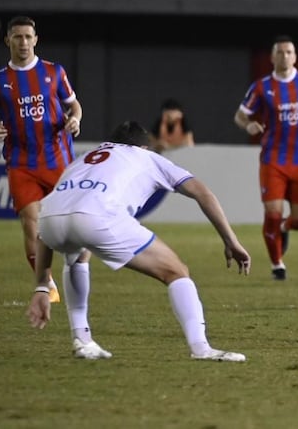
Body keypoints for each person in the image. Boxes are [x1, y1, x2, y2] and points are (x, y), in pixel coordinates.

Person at [26, 121, 252, 361]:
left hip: (49, 220)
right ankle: (201, 348)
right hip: (97, 217)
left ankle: (82, 339)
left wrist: (42, 285)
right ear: (144, 147)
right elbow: (202, 193)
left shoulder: (83, 160)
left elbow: (47, 227)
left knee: (78, 257)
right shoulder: (147, 157)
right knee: (176, 272)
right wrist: (230, 240)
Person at [0, 15, 83, 304]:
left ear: (35, 40)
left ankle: (75, 266)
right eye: (18, 37)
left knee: (71, 223)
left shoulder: (53, 72)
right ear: (7, 40)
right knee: (31, 223)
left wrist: (75, 121)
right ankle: (46, 283)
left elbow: (75, 106)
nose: (23, 42)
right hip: (21, 162)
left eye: (28, 37)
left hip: (57, 158)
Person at [233, 35, 298, 281]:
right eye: (281, 52)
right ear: (272, 57)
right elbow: (240, 116)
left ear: (295, 56)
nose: (285, 56)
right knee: (272, 213)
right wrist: (249, 125)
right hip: (273, 159)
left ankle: (284, 229)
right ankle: (277, 265)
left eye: (289, 52)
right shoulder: (261, 87)